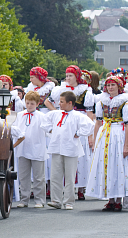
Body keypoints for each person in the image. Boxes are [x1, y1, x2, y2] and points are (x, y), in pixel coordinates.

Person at [85, 76, 128, 212]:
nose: (110, 87)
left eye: (113, 85)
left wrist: (126, 145)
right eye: (108, 85)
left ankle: (118, 199)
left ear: (119, 87)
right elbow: (98, 122)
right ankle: (110, 198)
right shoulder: (100, 103)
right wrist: (94, 139)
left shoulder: (125, 104)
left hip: (118, 134)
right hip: (105, 134)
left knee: (118, 165)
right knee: (107, 165)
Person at [46, 65, 95, 201]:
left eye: (70, 76)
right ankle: (58, 196)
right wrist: (56, 113)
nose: (68, 78)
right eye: (66, 76)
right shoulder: (60, 90)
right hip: (63, 124)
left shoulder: (86, 91)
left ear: (77, 77)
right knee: (59, 164)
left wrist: (88, 135)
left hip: (77, 125)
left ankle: (80, 189)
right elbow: (47, 102)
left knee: (78, 161)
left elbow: (89, 114)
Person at [11, 91, 49, 208]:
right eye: (27, 103)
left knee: (38, 177)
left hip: (37, 149)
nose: (29, 106)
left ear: (37, 104)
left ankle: (39, 200)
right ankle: (24, 199)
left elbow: (47, 131)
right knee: (23, 176)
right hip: (22, 149)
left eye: (32, 103)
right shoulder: (20, 115)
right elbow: (15, 129)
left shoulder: (42, 116)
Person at [25, 66, 55, 198]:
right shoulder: (30, 89)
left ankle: (48, 185)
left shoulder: (51, 89)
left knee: (46, 153)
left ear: (39, 78)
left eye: (33, 77)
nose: (30, 79)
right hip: (32, 118)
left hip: (45, 117)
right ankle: (34, 186)